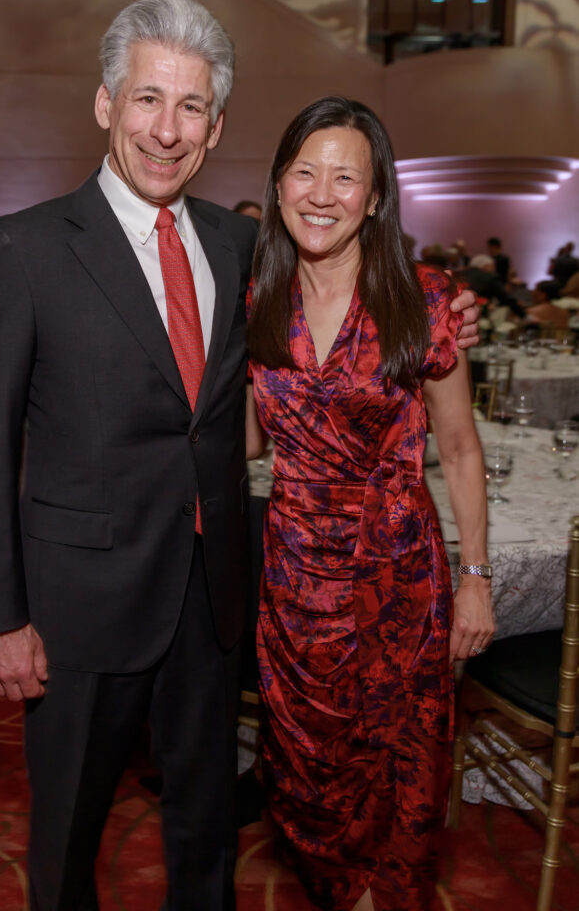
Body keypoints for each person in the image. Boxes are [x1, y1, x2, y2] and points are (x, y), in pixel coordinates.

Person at [0, 0, 480, 911]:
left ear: (216, 125)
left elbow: (337, 300)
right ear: (106, 104)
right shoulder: (21, 249)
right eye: (148, 99)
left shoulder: (242, 250)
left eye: (191, 107)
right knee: (67, 831)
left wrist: (446, 308)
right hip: (78, 609)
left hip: (215, 600)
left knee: (204, 828)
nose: (166, 128)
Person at [245, 96, 494, 911]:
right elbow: (245, 440)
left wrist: (476, 576)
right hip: (293, 582)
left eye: (344, 176)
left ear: (376, 196)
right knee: (307, 766)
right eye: (304, 172)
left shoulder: (424, 301)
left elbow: (457, 449)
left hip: (399, 582)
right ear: (279, 185)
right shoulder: (252, 303)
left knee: (400, 763)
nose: (322, 193)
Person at [460, 253, 526, 318]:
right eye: (492, 266)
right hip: (480, 315)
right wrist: (524, 316)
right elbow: (505, 298)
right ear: (485, 266)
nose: (494, 270)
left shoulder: (459, 275)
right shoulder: (489, 277)